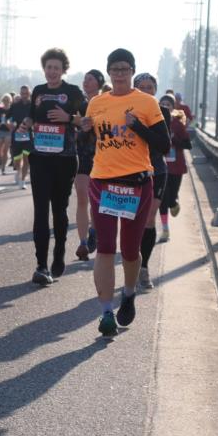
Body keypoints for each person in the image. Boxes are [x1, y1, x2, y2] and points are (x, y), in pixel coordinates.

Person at [82, 48, 169, 336]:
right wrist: (82, 130)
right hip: (103, 182)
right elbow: (94, 139)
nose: (119, 74)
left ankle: (129, 293)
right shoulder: (96, 103)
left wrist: (138, 127)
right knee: (106, 248)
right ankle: (106, 311)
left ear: (132, 71)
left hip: (136, 184)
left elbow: (164, 144)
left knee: (130, 250)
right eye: (115, 69)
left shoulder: (146, 103)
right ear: (109, 72)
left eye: (124, 69)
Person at [25, 48, 85, 285]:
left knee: (59, 210)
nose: (52, 72)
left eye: (56, 68)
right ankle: (41, 265)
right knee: (40, 211)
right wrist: (25, 123)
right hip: (40, 158)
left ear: (63, 70)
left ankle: (59, 252)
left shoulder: (72, 92)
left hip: (65, 158)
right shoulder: (38, 91)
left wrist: (69, 118)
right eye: (48, 67)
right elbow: (32, 116)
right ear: (44, 68)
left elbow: (87, 120)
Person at [133, 72, 168, 290]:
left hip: (157, 170)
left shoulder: (162, 112)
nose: (146, 90)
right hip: (131, 171)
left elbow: (162, 143)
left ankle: (143, 267)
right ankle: (132, 260)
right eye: (142, 87)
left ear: (155, 90)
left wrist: (137, 127)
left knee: (149, 218)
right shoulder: (126, 111)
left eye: (150, 87)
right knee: (132, 220)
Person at [75, 69, 105, 261]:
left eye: (90, 79)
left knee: (98, 201)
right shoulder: (78, 104)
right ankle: (83, 242)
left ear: (99, 83)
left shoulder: (106, 103)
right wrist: (75, 122)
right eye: (85, 79)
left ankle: (95, 229)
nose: (86, 82)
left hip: (103, 157)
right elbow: (70, 125)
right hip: (82, 156)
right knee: (81, 198)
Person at [160, 98, 192, 235]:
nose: (165, 107)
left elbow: (188, 145)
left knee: (171, 198)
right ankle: (165, 228)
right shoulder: (155, 123)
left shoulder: (177, 124)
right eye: (163, 104)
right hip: (160, 167)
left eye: (168, 105)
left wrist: (174, 139)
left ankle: (173, 204)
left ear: (173, 108)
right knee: (162, 199)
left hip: (176, 167)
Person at [9, 85, 33, 188]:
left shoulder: (33, 106)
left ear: (29, 93)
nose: (24, 95)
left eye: (26, 93)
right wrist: (10, 123)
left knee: (26, 159)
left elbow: (36, 119)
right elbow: (8, 117)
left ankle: (22, 181)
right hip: (17, 136)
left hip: (28, 136)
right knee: (17, 161)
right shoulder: (15, 105)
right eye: (22, 93)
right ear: (20, 93)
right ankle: (18, 171)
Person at [0, 92, 13, 173]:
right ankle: (1, 162)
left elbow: (13, 123)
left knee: (5, 150)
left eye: (7, 100)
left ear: (10, 101)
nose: (6, 101)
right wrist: (0, 123)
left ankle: (3, 167)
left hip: (8, 132)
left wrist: (8, 124)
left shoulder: (12, 110)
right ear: (2, 100)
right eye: (4, 100)